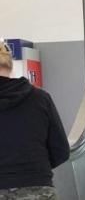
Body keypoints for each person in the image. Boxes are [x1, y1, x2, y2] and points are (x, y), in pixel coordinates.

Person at [0, 41, 70, 199]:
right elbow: (61, 150)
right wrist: (34, 170)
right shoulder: (40, 98)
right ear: (10, 65)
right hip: (39, 189)